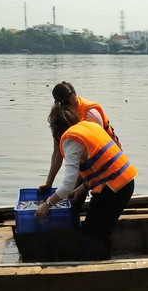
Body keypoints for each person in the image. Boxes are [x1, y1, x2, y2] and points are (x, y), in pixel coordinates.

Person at [35, 101, 137, 260]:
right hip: (124, 183)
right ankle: (101, 265)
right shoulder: (89, 126)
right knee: (97, 230)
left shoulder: (71, 141)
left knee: (93, 232)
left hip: (113, 189)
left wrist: (47, 204)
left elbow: (67, 184)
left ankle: (100, 271)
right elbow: (101, 166)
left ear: (56, 128)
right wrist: (81, 189)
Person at [38, 82, 121, 213]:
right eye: (68, 104)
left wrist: (73, 188)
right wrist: (49, 183)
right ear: (60, 104)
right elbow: (57, 154)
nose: (72, 106)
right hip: (89, 171)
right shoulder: (60, 118)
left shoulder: (90, 116)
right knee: (71, 194)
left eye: (74, 102)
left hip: (108, 170)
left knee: (75, 200)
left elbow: (93, 155)